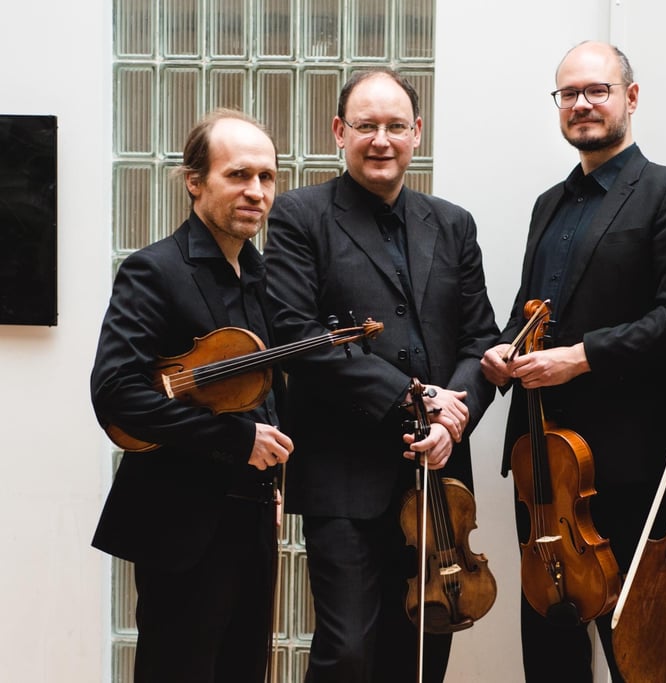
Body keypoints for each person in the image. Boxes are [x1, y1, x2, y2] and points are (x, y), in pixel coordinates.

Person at [480, 41, 666, 682]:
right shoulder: (547, 204)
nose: (581, 104)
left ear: (630, 98)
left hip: (627, 460)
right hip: (541, 463)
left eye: (597, 90)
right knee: (548, 647)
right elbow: (531, 314)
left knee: (633, 647)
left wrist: (580, 359)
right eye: (568, 94)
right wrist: (503, 350)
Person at [262, 68, 499, 682]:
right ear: (339, 131)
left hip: (440, 483)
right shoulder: (299, 215)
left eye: (396, 126)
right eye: (366, 126)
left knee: (423, 652)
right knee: (348, 653)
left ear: (417, 133)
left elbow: (480, 342)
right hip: (345, 479)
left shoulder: (452, 223)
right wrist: (413, 397)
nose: (381, 139)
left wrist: (457, 416)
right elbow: (295, 336)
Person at [91, 109, 294, 683]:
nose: (256, 191)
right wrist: (237, 440)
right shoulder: (154, 271)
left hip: (251, 517)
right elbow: (117, 394)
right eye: (238, 175)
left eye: (267, 177)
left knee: (243, 671)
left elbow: (261, 391)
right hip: (181, 522)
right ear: (195, 181)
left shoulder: (262, 280)